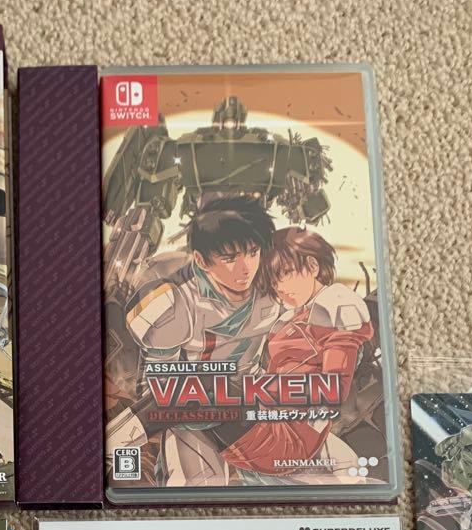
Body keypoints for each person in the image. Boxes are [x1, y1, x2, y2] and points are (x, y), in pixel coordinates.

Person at [115, 195, 280, 487]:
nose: (245, 268)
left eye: (252, 252)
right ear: (202, 260)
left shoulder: (274, 287)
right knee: (199, 489)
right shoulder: (173, 303)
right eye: (230, 258)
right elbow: (159, 388)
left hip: (251, 409)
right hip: (190, 419)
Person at [222, 227, 373, 481]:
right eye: (273, 281)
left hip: (293, 434)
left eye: (286, 274)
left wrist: (260, 391)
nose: (280, 288)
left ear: (312, 266)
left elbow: (332, 388)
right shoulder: (287, 319)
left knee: (199, 394)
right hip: (268, 418)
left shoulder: (336, 305)